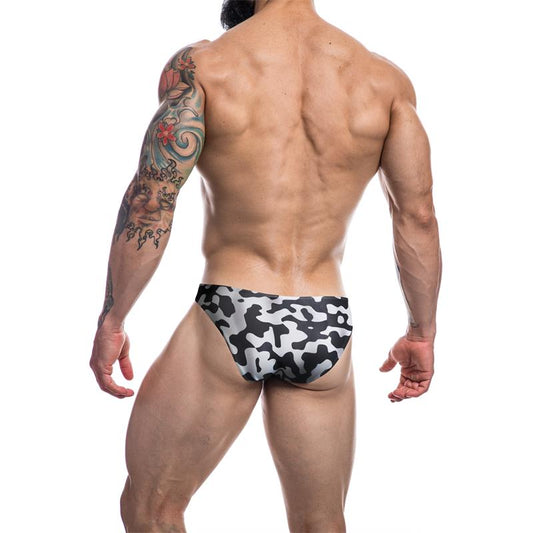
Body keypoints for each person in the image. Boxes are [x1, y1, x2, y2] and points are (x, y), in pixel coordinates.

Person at [89, 0, 442, 531]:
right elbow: (417, 217)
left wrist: (113, 320)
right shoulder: (383, 81)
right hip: (323, 321)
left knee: (151, 508)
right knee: (321, 523)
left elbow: (151, 201)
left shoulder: (204, 67)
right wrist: (421, 333)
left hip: (232, 307)